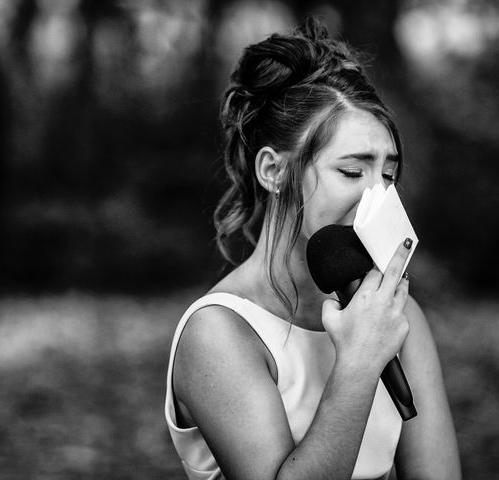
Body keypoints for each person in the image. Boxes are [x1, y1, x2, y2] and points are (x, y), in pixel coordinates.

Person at [164, 18, 460, 480]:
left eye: (387, 174)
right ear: (273, 171)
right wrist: (360, 362)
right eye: (351, 171)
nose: (376, 195)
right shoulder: (218, 334)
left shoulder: (398, 317)